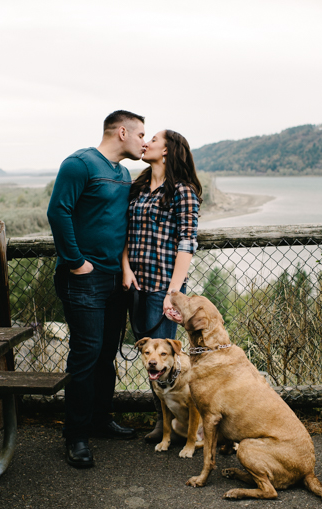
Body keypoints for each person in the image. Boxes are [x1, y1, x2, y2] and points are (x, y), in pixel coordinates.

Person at [47, 110, 146, 468]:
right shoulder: (80, 164)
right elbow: (58, 212)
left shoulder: (122, 173)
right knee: (86, 355)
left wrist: (124, 268)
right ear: (122, 132)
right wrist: (76, 262)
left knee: (107, 354)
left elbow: (118, 225)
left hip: (113, 279)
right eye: (140, 135)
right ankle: (75, 436)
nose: (144, 142)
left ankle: (100, 420)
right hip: (82, 278)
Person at [121, 129, 202, 442]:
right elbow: (124, 232)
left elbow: (187, 243)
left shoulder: (183, 191)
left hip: (163, 288)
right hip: (134, 284)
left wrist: (173, 294)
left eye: (153, 139)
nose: (146, 143)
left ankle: (171, 425)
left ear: (168, 150)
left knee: (166, 360)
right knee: (149, 358)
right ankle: (165, 421)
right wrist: (125, 268)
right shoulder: (138, 187)